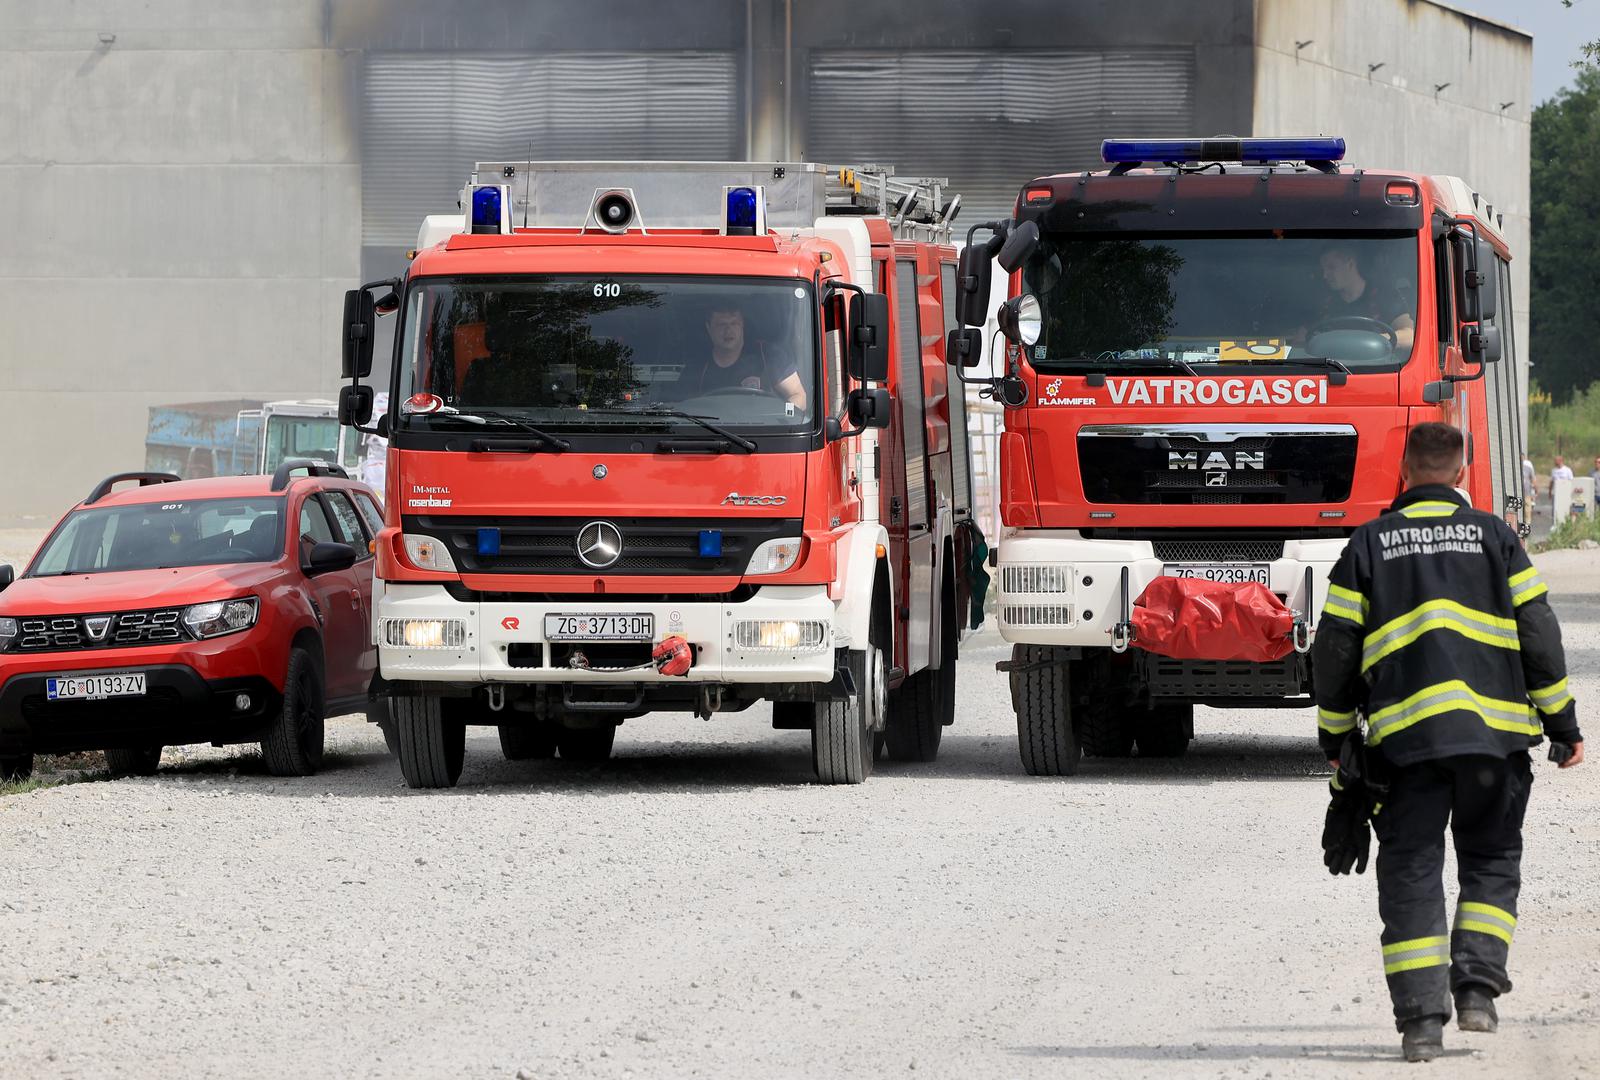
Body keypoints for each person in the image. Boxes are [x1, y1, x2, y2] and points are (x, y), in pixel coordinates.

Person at [1313, 422, 1583, 1063]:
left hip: (1405, 749)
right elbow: (1538, 633)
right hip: (1494, 746)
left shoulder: (1369, 543)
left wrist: (1335, 733)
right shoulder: (1497, 537)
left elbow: (1335, 649)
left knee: (1411, 872)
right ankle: (1478, 993)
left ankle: (1421, 1026)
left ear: (1403, 474)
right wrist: (1564, 724)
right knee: (1490, 861)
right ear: (1461, 475)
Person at [690, 304, 806, 410]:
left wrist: (786, 416)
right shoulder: (697, 366)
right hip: (709, 431)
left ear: (742, 325)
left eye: (734, 323)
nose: (728, 330)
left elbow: (797, 395)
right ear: (708, 328)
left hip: (766, 431)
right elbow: (682, 407)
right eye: (721, 324)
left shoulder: (768, 355)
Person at [1317, 246, 1416, 352]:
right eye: (1323, 269)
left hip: (1379, 366)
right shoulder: (1326, 303)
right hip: (1332, 366)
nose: (1325, 275)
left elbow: (1409, 335)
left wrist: (1368, 342)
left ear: (1350, 264)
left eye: (1331, 267)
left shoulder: (1385, 295)